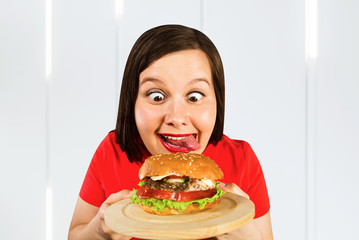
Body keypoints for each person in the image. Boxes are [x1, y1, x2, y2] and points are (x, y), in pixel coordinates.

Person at [68, 24, 273, 240]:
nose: (176, 118)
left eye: (194, 96)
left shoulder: (241, 159)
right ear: (132, 102)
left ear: (218, 102)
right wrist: (99, 232)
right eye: (156, 96)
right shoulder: (112, 151)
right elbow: (75, 234)